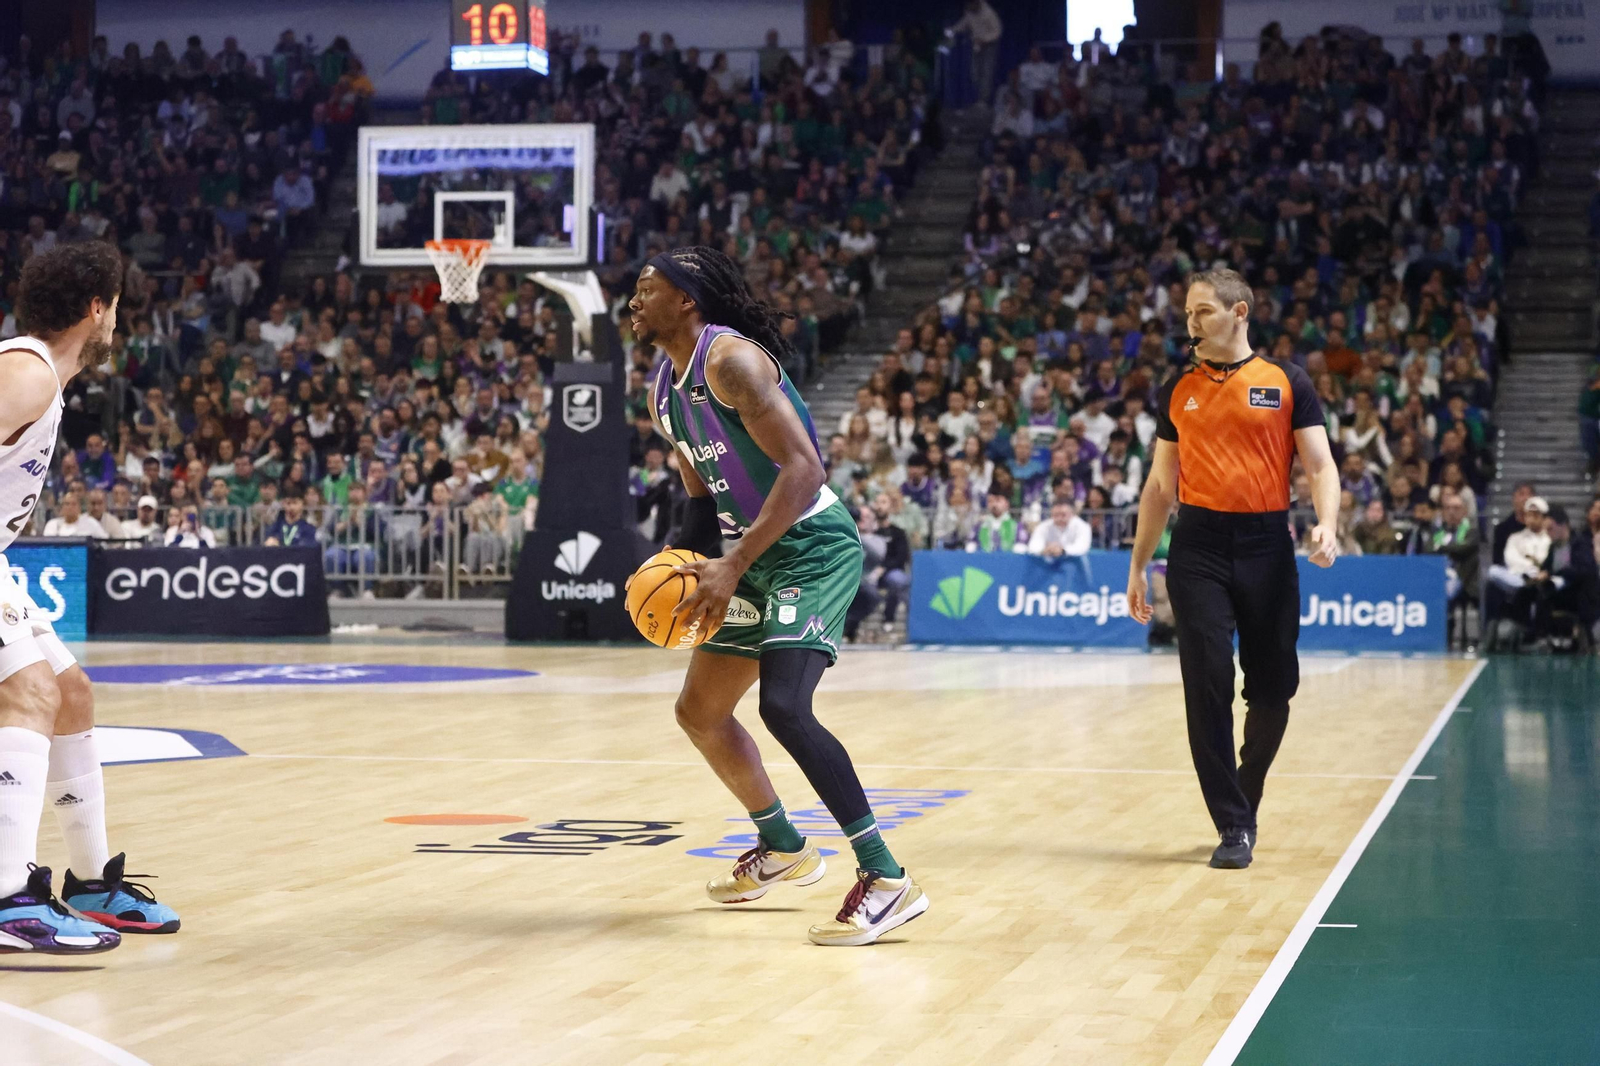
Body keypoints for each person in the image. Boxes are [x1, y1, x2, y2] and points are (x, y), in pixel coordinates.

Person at [629, 245, 926, 946]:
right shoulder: (663, 390)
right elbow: (699, 499)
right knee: (700, 711)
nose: (635, 300)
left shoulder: (732, 362)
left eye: (648, 288)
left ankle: (888, 880)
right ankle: (785, 846)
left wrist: (731, 565)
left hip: (811, 546)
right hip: (746, 555)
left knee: (785, 706)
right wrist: (681, 568)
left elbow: (803, 470)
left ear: (687, 301)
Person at [1127, 268, 1340, 871]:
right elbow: (1159, 486)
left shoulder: (1287, 381)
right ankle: (1232, 821)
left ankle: (1248, 789)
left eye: (1203, 313)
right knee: (1208, 677)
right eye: (1188, 314)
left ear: (1239, 312)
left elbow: (1321, 466)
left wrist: (1327, 524)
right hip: (1197, 546)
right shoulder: (1179, 388)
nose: (1191, 323)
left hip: (1268, 543)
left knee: (1273, 688)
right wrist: (1139, 565)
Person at [0, 243, 179, 954]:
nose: (117, 324)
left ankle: (90, 882)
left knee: (70, 691)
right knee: (30, 694)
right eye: (117, 308)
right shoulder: (27, 373)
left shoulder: (42, 376)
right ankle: (10, 896)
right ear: (96, 308)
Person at [41, 492, 107, 538]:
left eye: (74, 504)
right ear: (62, 508)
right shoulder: (52, 525)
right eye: (67, 504)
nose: (70, 507)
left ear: (79, 508)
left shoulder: (91, 523)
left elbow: (104, 542)